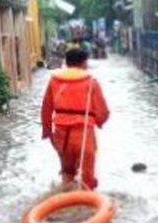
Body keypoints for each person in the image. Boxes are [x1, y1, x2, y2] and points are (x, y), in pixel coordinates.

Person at [40, 47, 110, 189]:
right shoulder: (91, 83)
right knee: (87, 177)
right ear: (83, 63)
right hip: (83, 133)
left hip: (61, 134)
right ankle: (84, 205)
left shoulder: (54, 80)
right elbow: (103, 111)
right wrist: (99, 122)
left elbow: (46, 108)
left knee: (67, 172)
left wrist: (47, 132)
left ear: (66, 63)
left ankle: (66, 200)